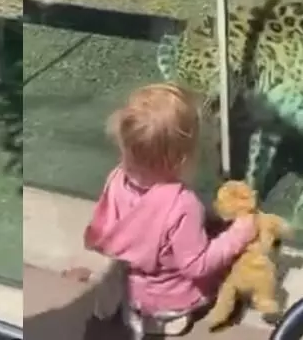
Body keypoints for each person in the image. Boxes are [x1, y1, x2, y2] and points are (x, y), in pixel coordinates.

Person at [83, 83, 257, 338]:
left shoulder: (116, 180)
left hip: (135, 292)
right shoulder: (183, 204)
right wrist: (239, 234)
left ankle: (129, 307)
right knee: (223, 262)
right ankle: (171, 316)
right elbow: (198, 265)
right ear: (182, 159)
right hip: (172, 299)